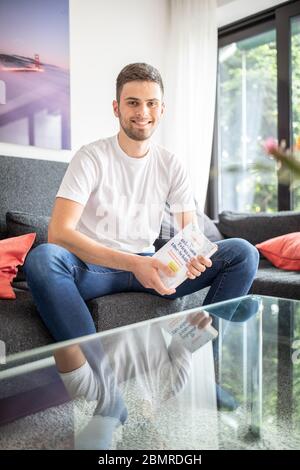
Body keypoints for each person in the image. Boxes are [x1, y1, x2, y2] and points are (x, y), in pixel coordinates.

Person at [23, 62, 259, 445]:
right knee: (43, 258)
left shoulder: (171, 164)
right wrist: (136, 263)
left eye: (152, 103)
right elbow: (60, 232)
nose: (143, 112)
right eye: (133, 102)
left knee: (242, 254)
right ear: (116, 107)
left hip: (155, 265)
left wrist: (193, 258)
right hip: (94, 268)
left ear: (162, 109)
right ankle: (108, 400)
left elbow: (189, 233)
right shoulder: (91, 157)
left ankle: (197, 361)